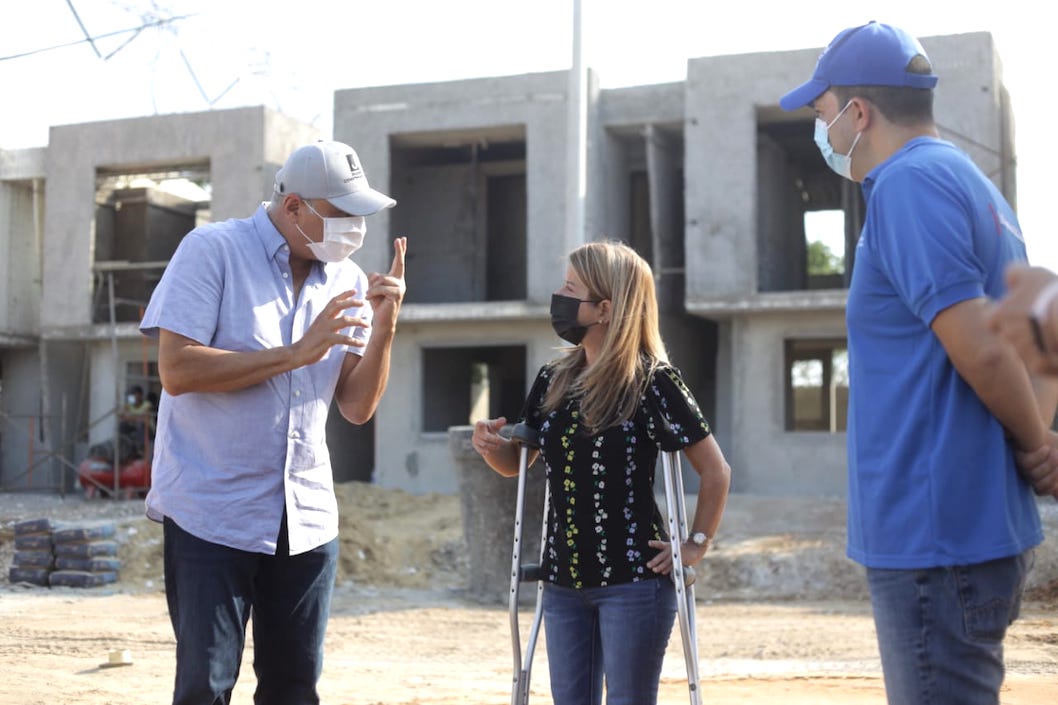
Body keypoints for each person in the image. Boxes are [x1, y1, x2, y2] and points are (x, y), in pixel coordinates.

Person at [779, 21, 1058, 705]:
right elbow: (1035, 337)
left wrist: (1037, 445)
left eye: (822, 114)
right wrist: (1040, 440)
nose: (823, 133)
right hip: (965, 527)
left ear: (859, 113)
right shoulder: (977, 187)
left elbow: (987, 349)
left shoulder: (906, 185)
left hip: (935, 535)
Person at [140, 139, 407, 705]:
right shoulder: (211, 250)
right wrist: (295, 353)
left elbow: (357, 407)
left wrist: (386, 325)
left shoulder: (349, 281)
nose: (356, 230)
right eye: (343, 215)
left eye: (362, 216)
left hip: (306, 518)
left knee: (293, 689)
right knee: (204, 689)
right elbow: (178, 369)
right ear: (294, 208)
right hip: (212, 513)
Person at [472, 240, 731, 705]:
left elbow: (715, 471)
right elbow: (517, 464)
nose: (560, 297)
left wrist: (695, 545)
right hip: (563, 579)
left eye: (572, 289)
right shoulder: (554, 379)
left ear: (605, 309)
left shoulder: (652, 382)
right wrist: (491, 447)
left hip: (633, 579)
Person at [118, 384, 154, 455]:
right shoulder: (129, 405)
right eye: (133, 395)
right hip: (135, 428)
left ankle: (141, 447)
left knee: (141, 424)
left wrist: (131, 418)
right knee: (122, 425)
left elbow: (145, 419)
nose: (135, 397)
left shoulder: (146, 404)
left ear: (140, 395)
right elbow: (122, 417)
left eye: (137, 395)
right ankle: (122, 445)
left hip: (148, 429)